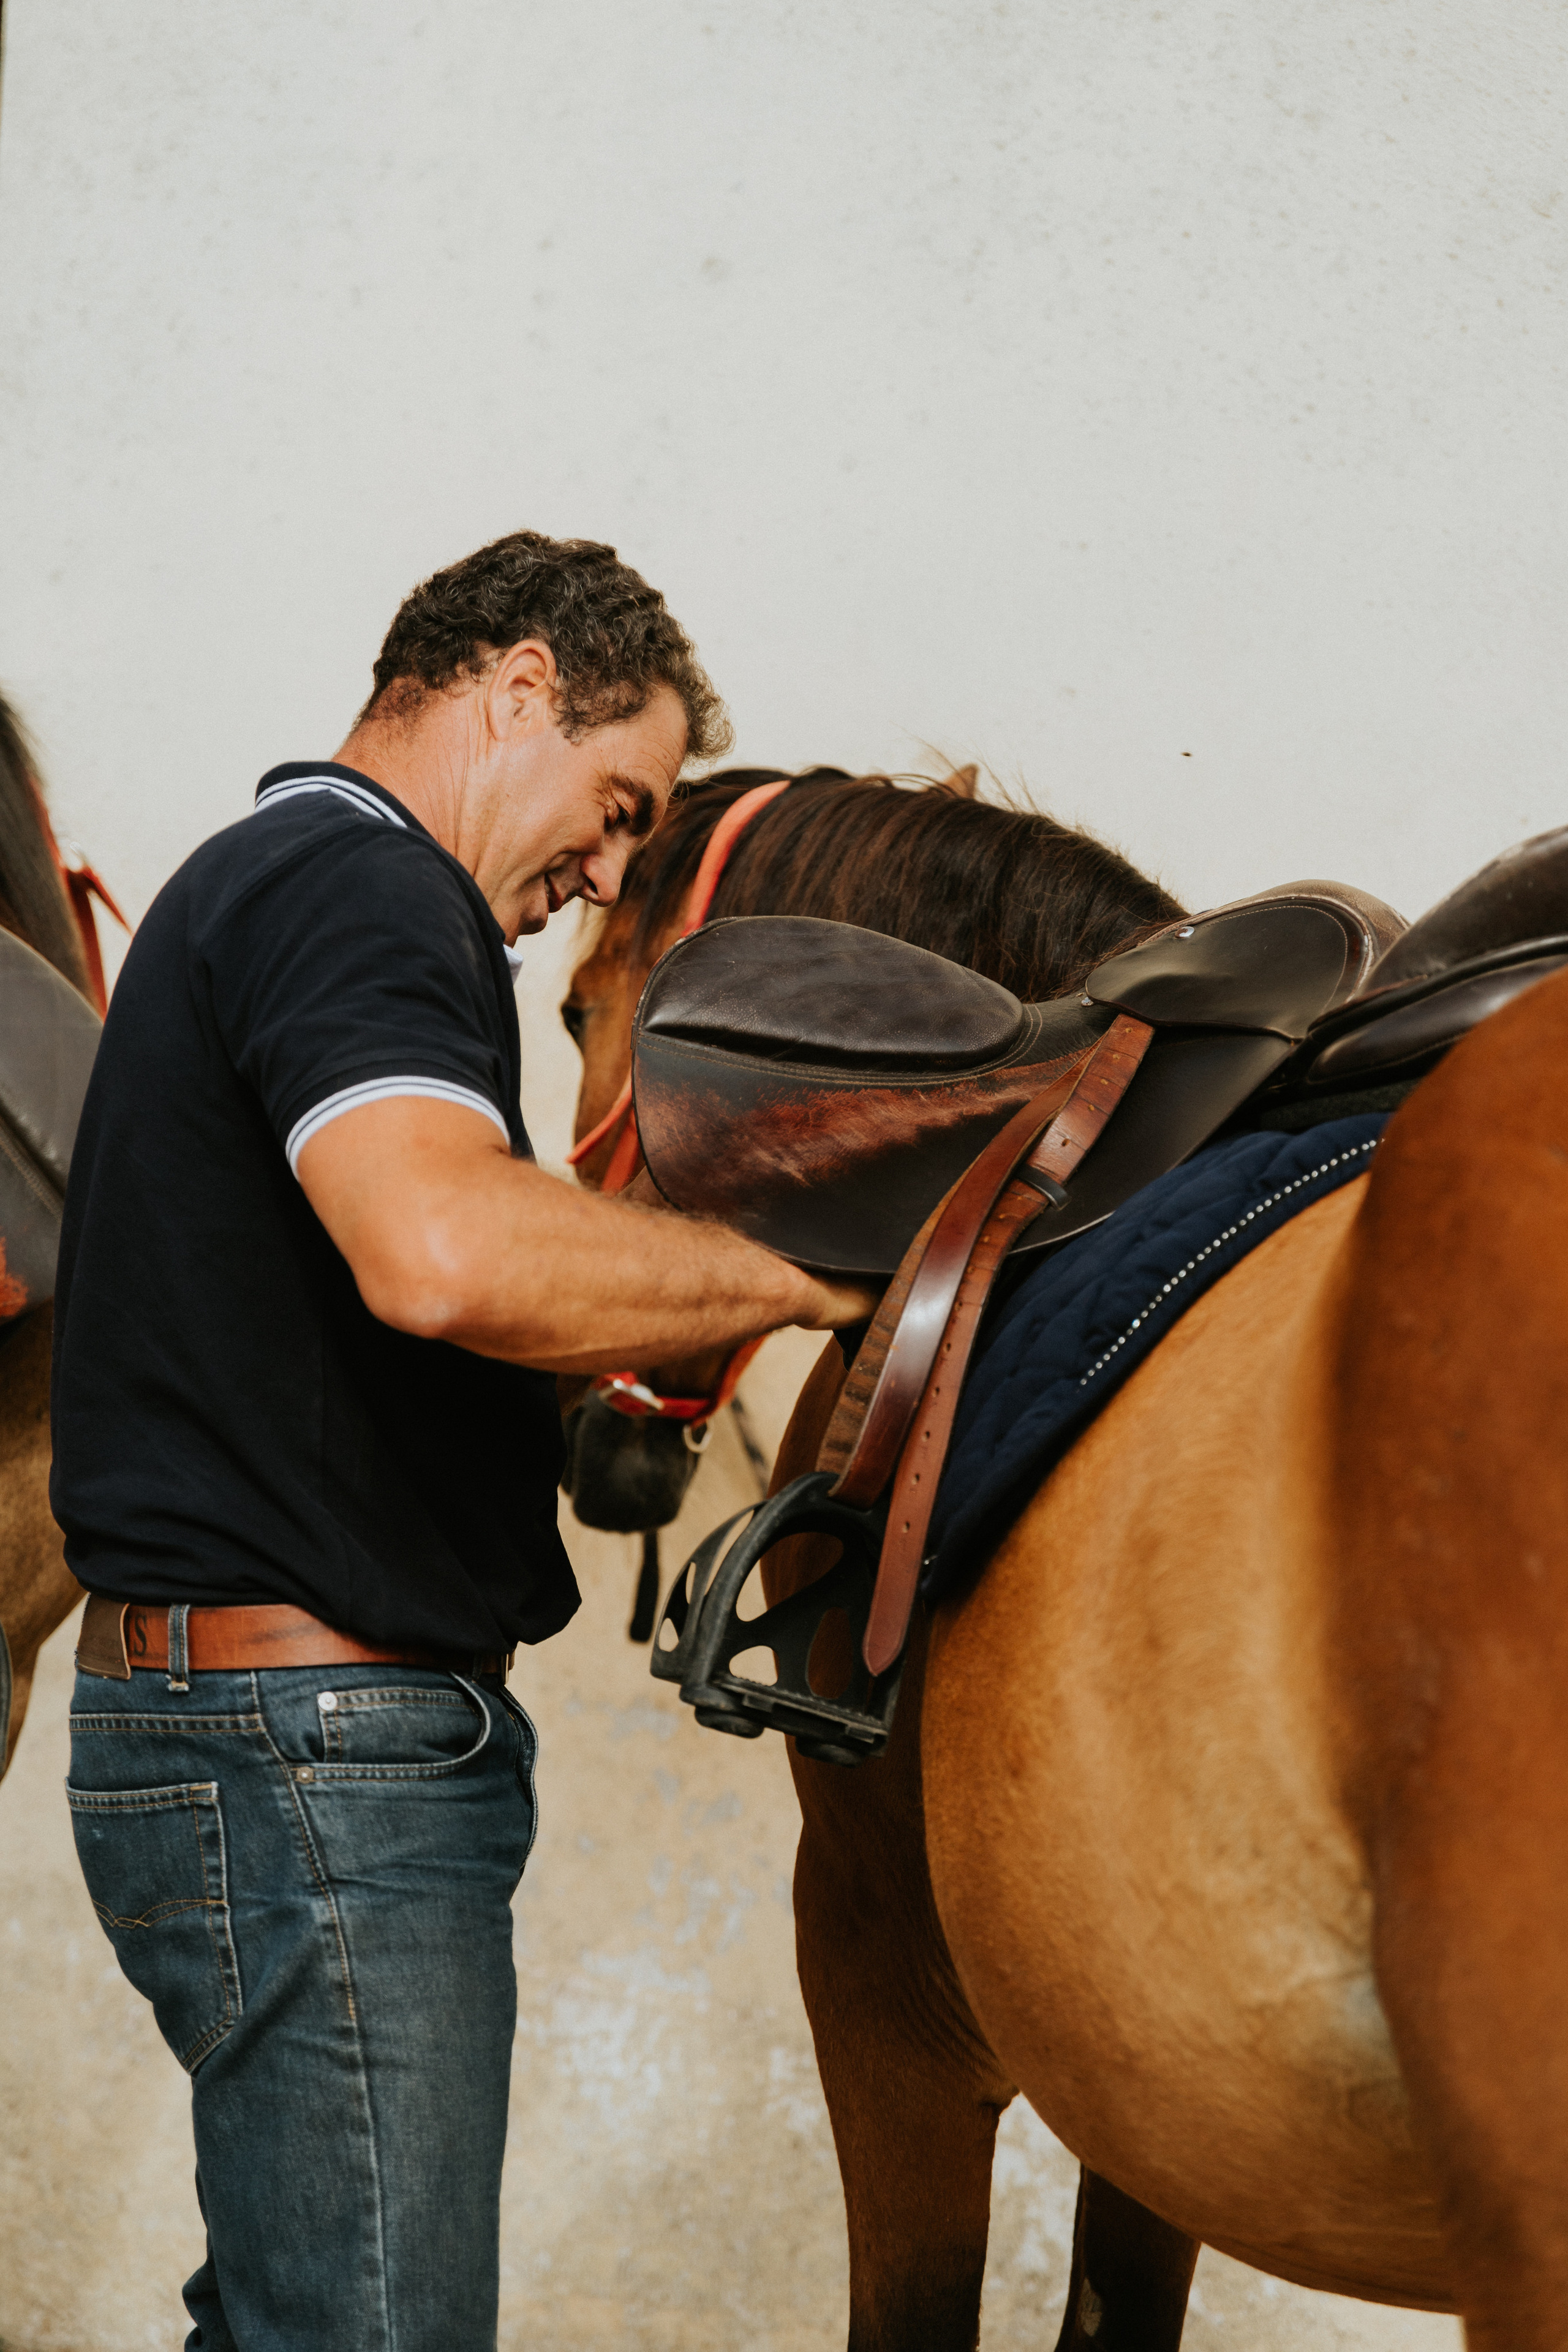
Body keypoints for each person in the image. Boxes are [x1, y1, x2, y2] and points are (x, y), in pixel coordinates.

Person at [52, 530, 870, 2351]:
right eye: (613, 801)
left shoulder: (265, 885)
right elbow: (438, 1253)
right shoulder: (362, 892)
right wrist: (800, 1276)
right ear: (514, 691)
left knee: (292, 2318)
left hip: (254, 1739)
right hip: (314, 1757)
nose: (600, 874)